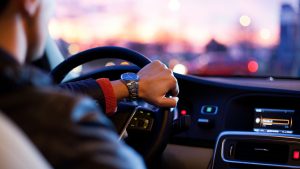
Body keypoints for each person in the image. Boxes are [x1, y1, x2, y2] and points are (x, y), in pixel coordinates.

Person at [0, 0, 179, 169]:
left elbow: (50, 93)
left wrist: (131, 86)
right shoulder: (60, 120)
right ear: (30, 2)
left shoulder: (18, 100)